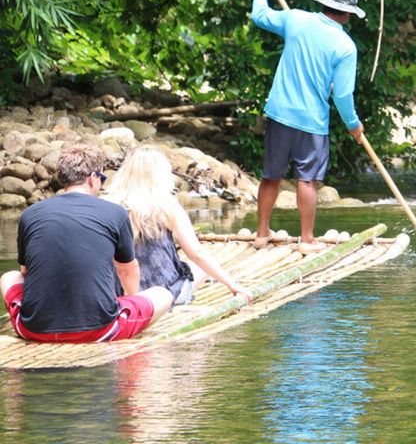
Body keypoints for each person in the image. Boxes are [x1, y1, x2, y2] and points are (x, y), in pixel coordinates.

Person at [0, 144, 173, 343]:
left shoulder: (29, 214)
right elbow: (127, 270)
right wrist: (131, 299)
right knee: (162, 294)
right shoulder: (115, 213)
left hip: (33, 329)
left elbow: (25, 272)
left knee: (9, 276)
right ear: (92, 177)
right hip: (100, 330)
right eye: (102, 178)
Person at [250, 0, 365, 251]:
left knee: (271, 174)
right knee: (307, 179)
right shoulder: (345, 46)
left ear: (326, 4)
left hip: (279, 112)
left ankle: (262, 233)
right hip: (311, 120)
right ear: (349, 14)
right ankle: (306, 240)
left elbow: (260, 15)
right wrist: (353, 124)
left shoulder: (296, 19)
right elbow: (342, 95)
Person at [103, 146, 253, 304]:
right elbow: (196, 253)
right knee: (200, 269)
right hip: (162, 295)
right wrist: (233, 285)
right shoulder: (166, 207)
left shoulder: (108, 205)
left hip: (119, 292)